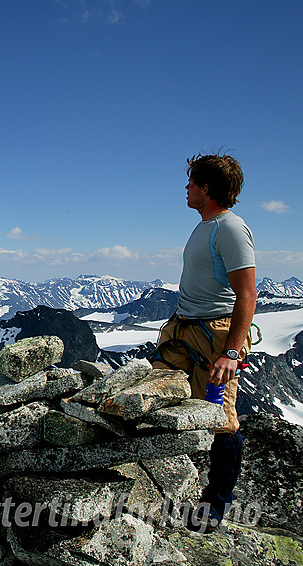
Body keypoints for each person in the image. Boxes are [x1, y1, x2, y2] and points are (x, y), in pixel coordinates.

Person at [151, 152, 256, 533]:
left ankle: (214, 508)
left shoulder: (230, 228)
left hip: (213, 336)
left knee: (222, 421)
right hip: (185, 331)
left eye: (192, 182)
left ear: (206, 188)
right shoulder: (207, 225)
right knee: (149, 397)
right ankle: (157, 487)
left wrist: (231, 352)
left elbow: (247, 293)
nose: (187, 188)